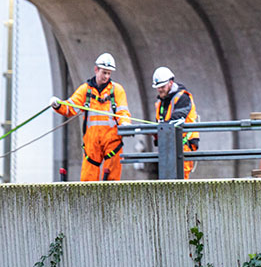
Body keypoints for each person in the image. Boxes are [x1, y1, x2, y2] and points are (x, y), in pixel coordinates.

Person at [51, 52, 132, 181]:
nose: (106, 76)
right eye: (104, 72)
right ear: (96, 69)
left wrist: (125, 124)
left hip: (112, 142)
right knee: (88, 181)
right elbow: (70, 107)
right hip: (92, 144)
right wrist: (58, 105)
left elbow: (122, 111)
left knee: (112, 181)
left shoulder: (117, 90)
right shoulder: (85, 91)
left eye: (109, 73)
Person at [151, 66, 200, 179]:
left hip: (184, 145)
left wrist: (160, 127)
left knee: (181, 179)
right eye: (158, 87)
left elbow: (176, 119)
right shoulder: (160, 103)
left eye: (162, 87)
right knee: (168, 181)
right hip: (168, 146)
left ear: (171, 83)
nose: (160, 90)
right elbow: (160, 123)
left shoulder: (183, 97)